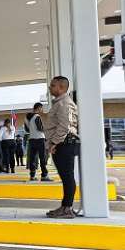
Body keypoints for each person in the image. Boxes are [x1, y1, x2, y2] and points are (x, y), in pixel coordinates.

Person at [45, 76, 80, 219]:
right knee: (66, 177)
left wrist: (54, 143)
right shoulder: (59, 103)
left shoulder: (64, 103)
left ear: (61, 87)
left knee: (67, 177)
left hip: (64, 144)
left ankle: (67, 208)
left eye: (53, 85)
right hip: (63, 144)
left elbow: (64, 126)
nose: (50, 88)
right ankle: (65, 206)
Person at [25, 103, 51, 181]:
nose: (42, 110)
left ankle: (32, 176)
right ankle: (44, 175)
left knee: (32, 158)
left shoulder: (28, 117)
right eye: (41, 108)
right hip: (40, 139)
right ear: (39, 108)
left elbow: (27, 130)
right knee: (42, 157)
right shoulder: (37, 116)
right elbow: (40, 128)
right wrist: (46, 129)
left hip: (32, 139)